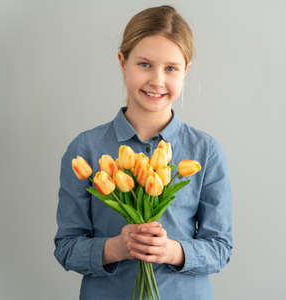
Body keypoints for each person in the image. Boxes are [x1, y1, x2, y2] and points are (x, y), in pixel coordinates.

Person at [54, 5, 232, 300]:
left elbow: (220, 248)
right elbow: (66, 247)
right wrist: (115, 248)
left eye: (171, 68)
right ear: (123, 62)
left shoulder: (205, 151)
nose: (157, 80)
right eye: (145, 64)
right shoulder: (85, 149)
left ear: (186, 70)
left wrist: (172, 251)